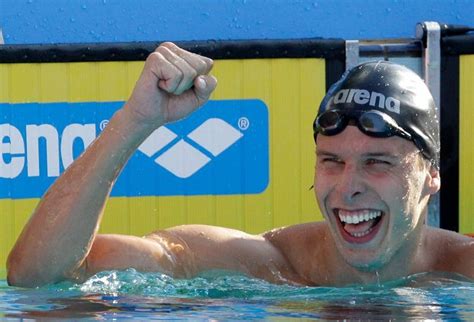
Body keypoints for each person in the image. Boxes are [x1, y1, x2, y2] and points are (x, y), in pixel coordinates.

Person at [6, 42, 474, 288]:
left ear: (431, 174)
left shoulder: (463, 271)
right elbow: (38, 278)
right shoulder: (263, 266)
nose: (348, 187)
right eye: (331, 161)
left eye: (377, 162)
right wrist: (134, 122)